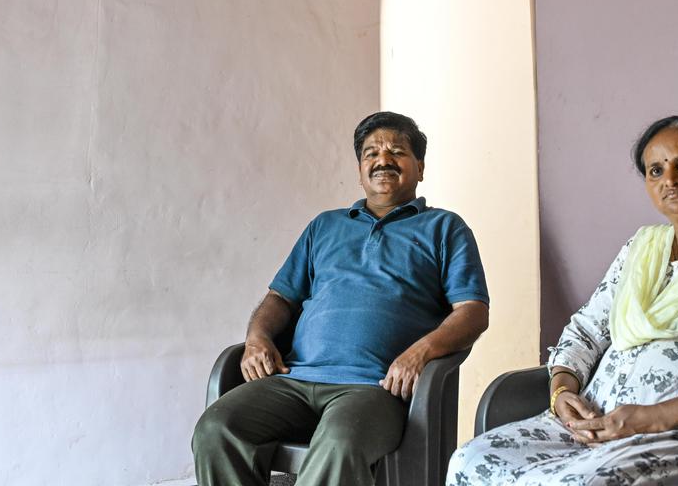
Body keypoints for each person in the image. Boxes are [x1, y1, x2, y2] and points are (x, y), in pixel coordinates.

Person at [447, 116, 678, 486]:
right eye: (655, 171)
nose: (669, 180)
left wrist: (654, 418)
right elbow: (586, 330)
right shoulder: (641, 250)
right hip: (588, 425)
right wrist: (562, 391)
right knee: (470, 459)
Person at [193, 112, 490, 486]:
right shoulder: (324, 226)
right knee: (216, 428)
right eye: (371, 154)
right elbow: (279, 299)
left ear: (420, 166)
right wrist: (257, 339)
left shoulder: (445, 228)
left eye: (397, 151)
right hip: (294, 379)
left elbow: (473, 311)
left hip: (373, 389)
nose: (383, 160)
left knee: (339, 442)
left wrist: (422, 352)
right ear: (360, 169)